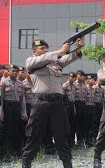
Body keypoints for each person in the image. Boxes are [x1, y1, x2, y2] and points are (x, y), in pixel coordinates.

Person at [21, 38, 85, 168]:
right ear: (34, 51)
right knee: (34, 134)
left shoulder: (55, 63)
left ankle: (67, 164)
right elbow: (46, 58)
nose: (45, 50)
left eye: (46, 48)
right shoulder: (31, 61)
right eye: (42, 48)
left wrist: (77, 48)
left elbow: (69, 58)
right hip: (41, 103)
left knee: (62, 134)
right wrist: (61, 50)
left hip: (57, 103)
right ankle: (26, 162)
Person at [0, 64, 28, 159]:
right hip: (7, 108)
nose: (14, 72)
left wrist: (23, 113)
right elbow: (1, 100)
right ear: (8, 71)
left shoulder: (20, 84)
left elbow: (23, 100)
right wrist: (1, 113)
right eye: (12, 71)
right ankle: (6, 153)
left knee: (17, 131)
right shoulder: (3, 82)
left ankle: (16, 152)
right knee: (8, 131)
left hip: (17, 108)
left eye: (15, 71)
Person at [62, 72, 77, 148]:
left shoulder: (74, 86)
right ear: (68, 77)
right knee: (66, 123)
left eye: (74, 77)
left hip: (72, 104)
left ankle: (71, 141)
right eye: (72, 77)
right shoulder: (65, 85)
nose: (73, 78)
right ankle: (66, 142)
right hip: (66, 105)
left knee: (72, 123)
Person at [74, 70, 87, 147]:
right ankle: (78, 140)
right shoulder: (74, 84)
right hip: (77, 103)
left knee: (83, 122)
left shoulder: (84, 85)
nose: (82, 77)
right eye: (81, 75)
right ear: (77, 75)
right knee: (77, 122)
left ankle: (82, 139)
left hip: (83, 103)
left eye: (83, 76)